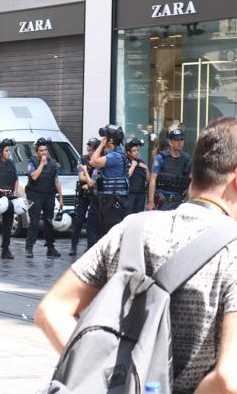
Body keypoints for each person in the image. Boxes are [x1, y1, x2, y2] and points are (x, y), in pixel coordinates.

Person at [34, 117, 237, 394]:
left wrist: (103, 378)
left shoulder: (132, 229)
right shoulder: (233, 252)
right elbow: (228, 379)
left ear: (195, 173)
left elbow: (52, 310)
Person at [25, 138, 63, 258]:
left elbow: (56, 180)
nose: (44, 153)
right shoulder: (31, 162)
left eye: (45, 150)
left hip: (49, 195)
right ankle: (29, 247)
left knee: (48, 222)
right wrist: (41, 163)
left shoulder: (52, 163)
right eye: (41, 150)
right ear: (37, 152)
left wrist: (61, 198)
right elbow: (34, 176)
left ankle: (50, 248)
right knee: (34, 222)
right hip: (35, 195)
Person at [89, 125, 129, 238]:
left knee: (112, 235)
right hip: (110, 201)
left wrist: (101, 145)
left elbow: (93, 161)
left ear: (110, 140)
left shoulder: (115, 156)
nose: (103, 139)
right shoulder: (116, 154)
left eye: (106, 137)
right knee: (106, 233)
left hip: (114, 202)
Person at [148, 128, 192, 211]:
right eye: (176, 140)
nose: (179, 142)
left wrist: (189, 200)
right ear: (170, 142)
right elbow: (153, 179)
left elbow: (192, 179)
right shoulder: (160, 158)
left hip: (179, 201)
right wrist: (151, 201)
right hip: (162, 200)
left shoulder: (187, 159)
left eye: (181, 140)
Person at [69, 138, 100, 256]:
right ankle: (73, 245)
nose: (89, 149)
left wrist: (90, 183)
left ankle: (90, 246)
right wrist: (90, 181)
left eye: (92, 147)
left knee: (93, 222)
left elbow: (99, 179)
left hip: (95, 195)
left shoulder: (99, 160)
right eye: (89, 146)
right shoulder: (82, 159)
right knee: (79, 220)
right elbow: (80, 177)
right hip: (84, 194)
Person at [125, 137, 149, 214]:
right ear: (128, 152)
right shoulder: (125, 161)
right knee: (129, 216)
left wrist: (147, 168)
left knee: (139, 216)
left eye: (137, 150)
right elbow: (127, 176)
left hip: (141, 194)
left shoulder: (141, 161)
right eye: (134, 151)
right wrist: (133, 166)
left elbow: (148, 179)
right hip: (129, 194)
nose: (137, 152)